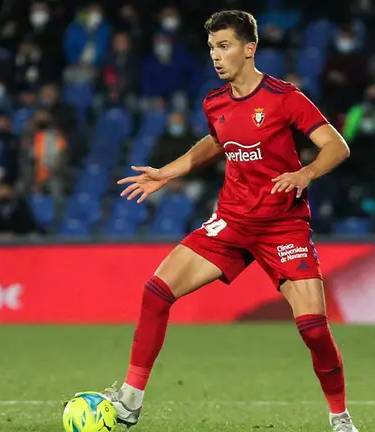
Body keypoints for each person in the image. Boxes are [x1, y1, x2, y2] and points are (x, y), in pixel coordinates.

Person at [103, 10, 357, 432]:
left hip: (283, 226)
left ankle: (340, 416)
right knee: (156, 292)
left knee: (313, 330)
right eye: (212, 48)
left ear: (249, 49)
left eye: (224, 46)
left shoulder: (284, 97)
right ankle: (130, 401)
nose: (216, 56)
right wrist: (168, 172)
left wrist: (306, 173)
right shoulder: (215, 101)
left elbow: (336, 145)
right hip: (233, 222)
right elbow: (216, 141)